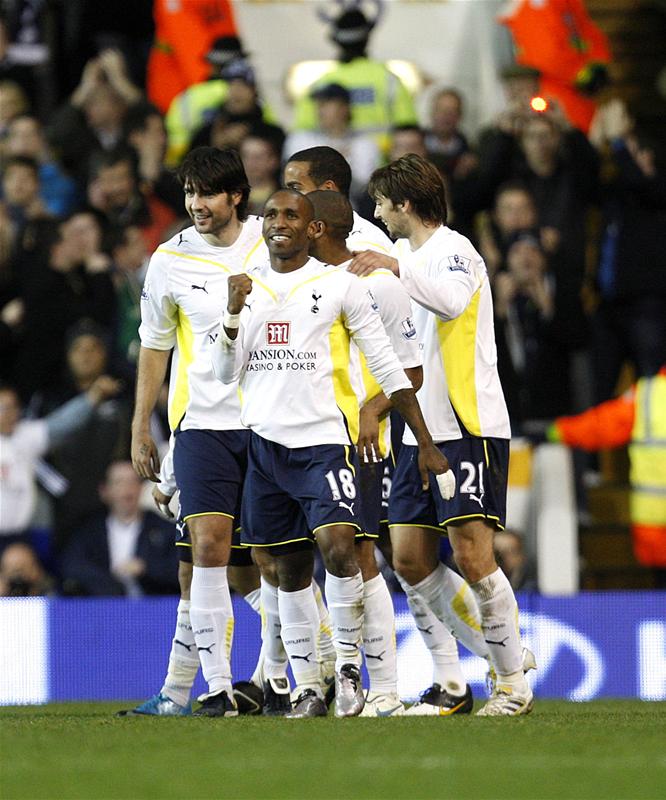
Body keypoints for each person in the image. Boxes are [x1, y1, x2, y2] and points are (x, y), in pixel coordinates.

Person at [211, 188, 454, 718]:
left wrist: (426, 442)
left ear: (310, 227)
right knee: (288, 569)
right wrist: (230, 315)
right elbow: (224, 374)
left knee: (342, 550)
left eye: (290, 215)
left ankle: (348, 672)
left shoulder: (341, 286)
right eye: (271, 214)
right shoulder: (244, 290)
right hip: (265, 448)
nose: (278, 222)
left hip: (325, 445)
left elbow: (390, 367)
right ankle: (307, 688)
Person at [349, 154, 534, 716]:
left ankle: (511, 688)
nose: (379, 215)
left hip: (465, 423)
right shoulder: (402, 253)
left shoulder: (456, 250)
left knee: (474, 554)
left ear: (406, 205)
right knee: (407, 557)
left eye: (383, 205)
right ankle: (503, 654)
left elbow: (452, 302)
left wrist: (394, 266)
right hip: (417, 429)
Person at [130, 146, 274, 717]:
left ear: (236, 195)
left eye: (208, 194)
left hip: (272, 420)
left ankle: (287, 675)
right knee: (206, 550)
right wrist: (143, 424)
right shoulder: (168, 259)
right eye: (189, 194)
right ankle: (215, 690)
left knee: (271, 564)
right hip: (204, 425)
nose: (196, 205)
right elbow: (154, 345)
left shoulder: (274, 239)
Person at [307, 189, 421, 716]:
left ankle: (386, 690)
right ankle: (319, 679)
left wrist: (372, 412)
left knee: (360, 555)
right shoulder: (301, 287)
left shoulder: (378, 287)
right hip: (310, 439)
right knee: (308, 558)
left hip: (362, 442)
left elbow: (411, 372)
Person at [547, 366, 666, 586]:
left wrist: (557, 431)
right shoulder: (648, 394)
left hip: (655, 527)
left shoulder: (648, 394)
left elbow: (601, 425)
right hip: (655, 531)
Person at [0, 377, 121, 554]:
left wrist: (93, 396)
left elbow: (63, 423)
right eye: (4, 408)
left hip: (26, 535)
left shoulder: (25, 435)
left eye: (14, 407)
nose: (12, 413)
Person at [291, 4, 417, 153]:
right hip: (385, 166)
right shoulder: (389, 80)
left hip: (332, 164)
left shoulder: (321, 84)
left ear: (337, 42)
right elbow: (409, 130)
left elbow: (303, 131)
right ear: (367, 39)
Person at [61, 461, 179, 597]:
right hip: (103, 609)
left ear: (141, 488)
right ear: (104, 491)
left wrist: (145, 568)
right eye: (119, 483)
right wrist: (109, 583)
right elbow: (72, 566)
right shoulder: (89, 531)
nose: (127, 489)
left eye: (133, 482)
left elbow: (183, 570)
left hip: (155, 610)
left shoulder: (164, 529)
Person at [283, 84, 381, 209]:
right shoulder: (300, 140)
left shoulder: (365, 145)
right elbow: (292, 181)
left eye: (325, 104)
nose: (320, 110)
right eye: (319, 105)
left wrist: (338, 166)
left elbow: (365, 188)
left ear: (344, 108)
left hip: (351, 210)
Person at [283, 145, 392, 255]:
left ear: (328, 189)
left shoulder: (366, 246)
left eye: (296, 188)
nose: (287, 197)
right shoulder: (283, 237)